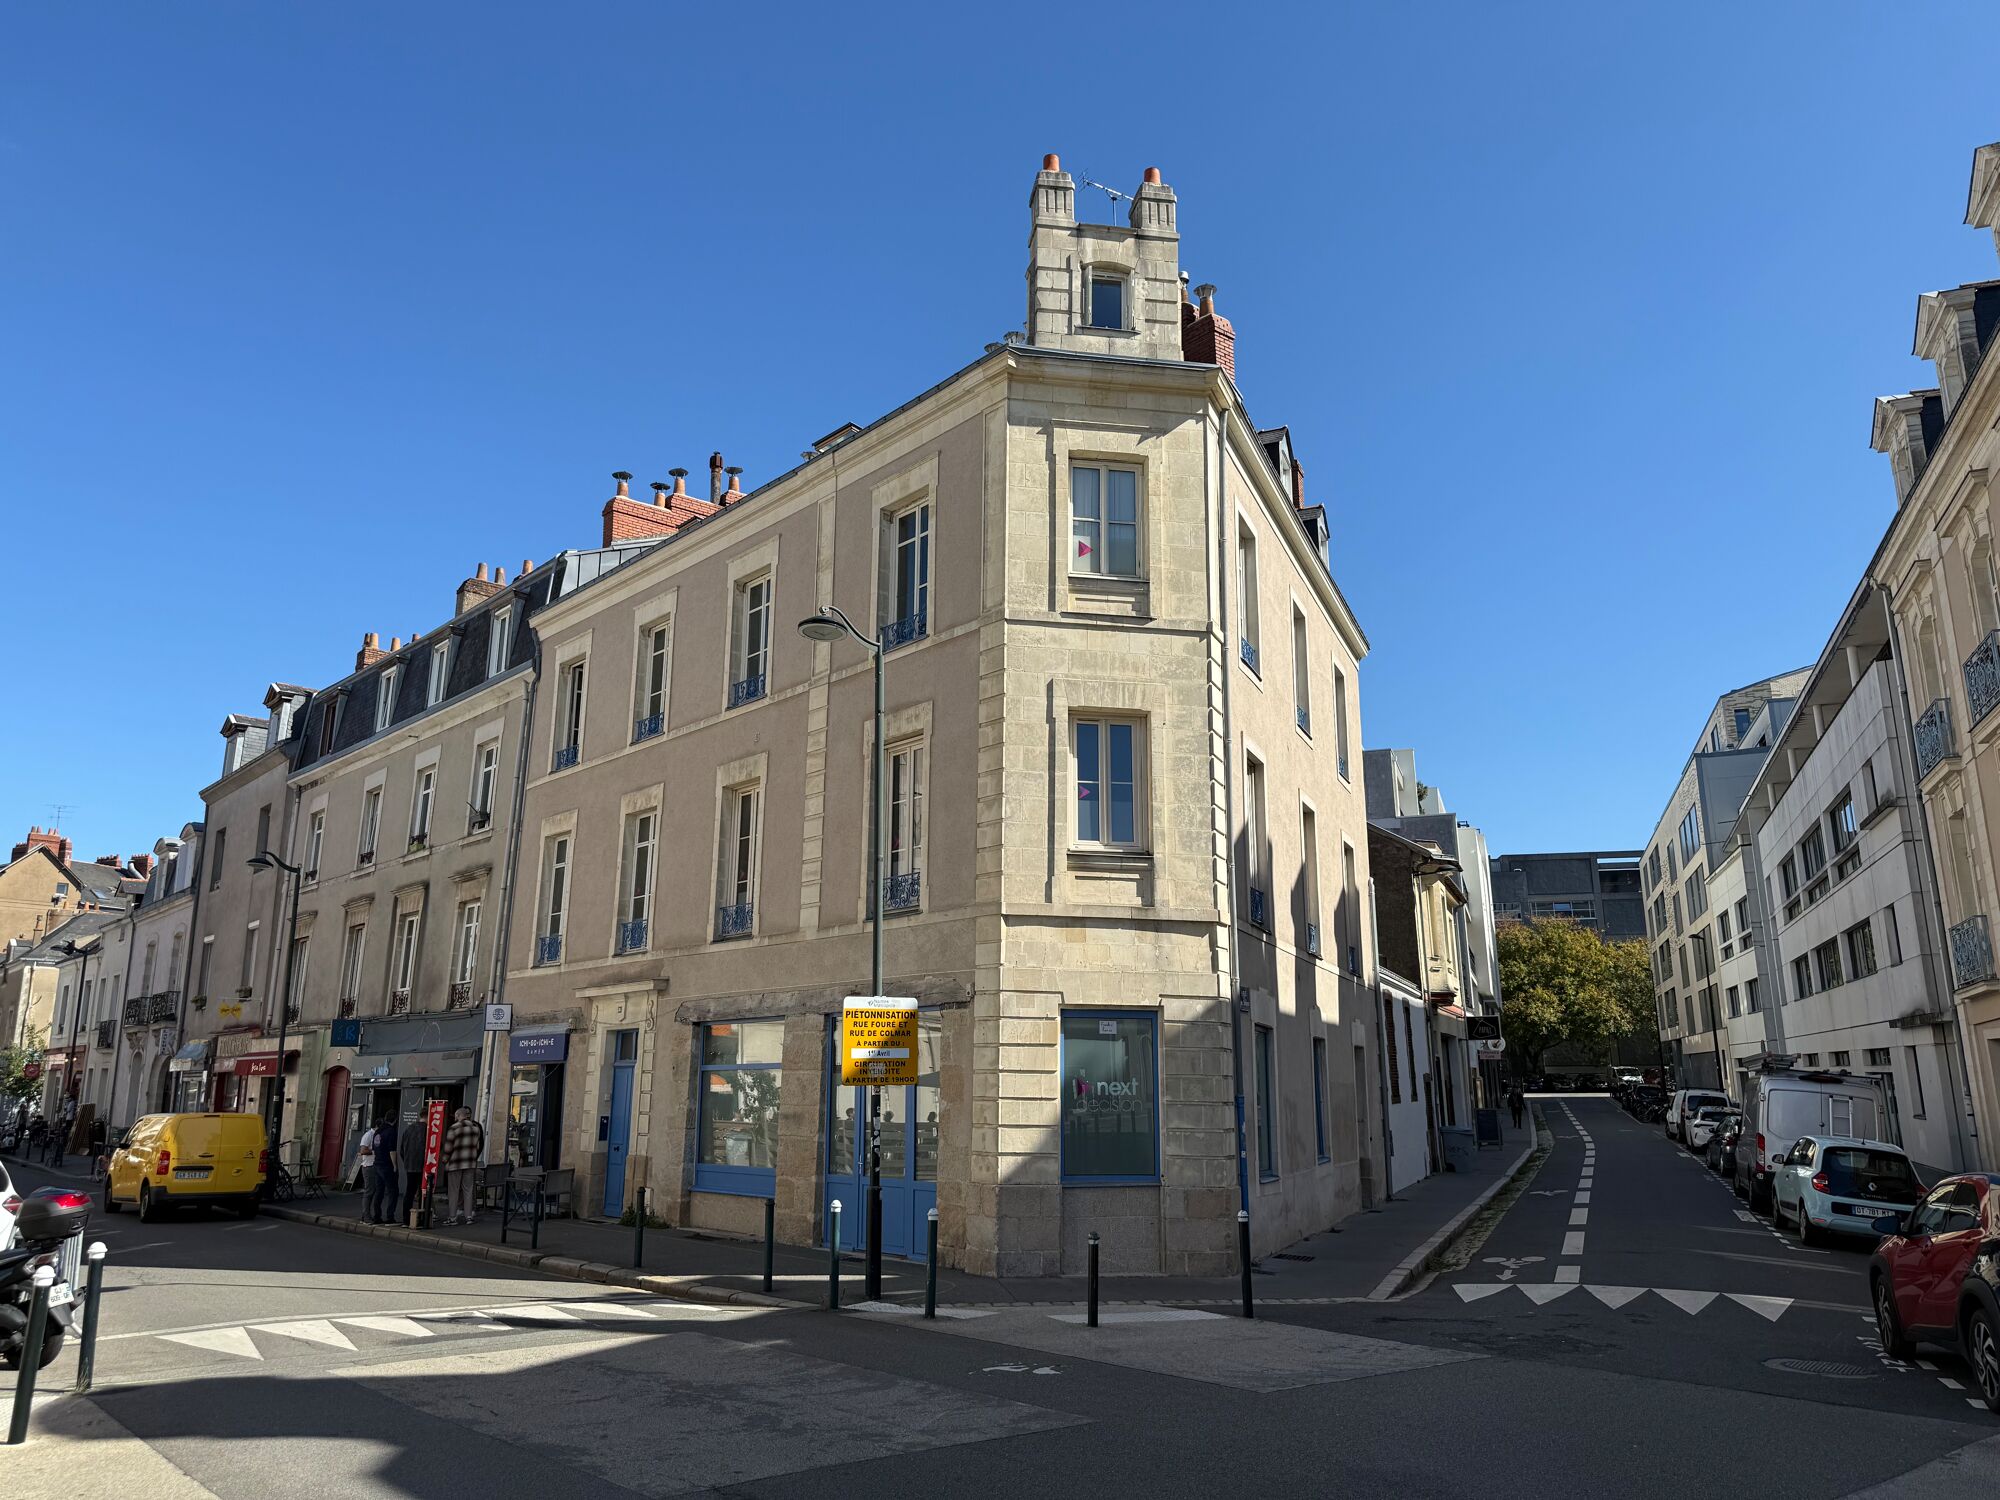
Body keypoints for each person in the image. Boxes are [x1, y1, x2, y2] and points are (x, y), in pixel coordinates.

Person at [440, 1106, 486, 1225]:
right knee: (468, 1189)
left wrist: (444, 1160)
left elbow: (448, 1148)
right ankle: (469, 1216)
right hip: (470, 1163)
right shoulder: (476, 1128)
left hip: (455, 1163)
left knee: (454, 1190)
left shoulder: (453, 1128)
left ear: (458, 1115)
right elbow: (477, 1146)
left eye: (456, 1116)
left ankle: (452, 1217)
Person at [365, 1116, 400, 1224]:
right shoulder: (391, 1131)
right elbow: (392, 1150)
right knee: (393, 1191)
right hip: (386, 1165)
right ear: (395, 1120)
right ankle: (390, 1216)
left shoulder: (378, 1132)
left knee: (379, 1192)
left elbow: (375, 1149)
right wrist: (395, 1165)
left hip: (377, 1164)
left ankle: (377, 1216)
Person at [397, 1111, 429, 1225]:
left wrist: (406, 1160)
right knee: (424, 1191)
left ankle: (406, 1219)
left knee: (409, 1192)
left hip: (409, 1165)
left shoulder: (409, 1129)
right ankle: (422, 1217)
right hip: (423, 1165)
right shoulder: (428, 1130)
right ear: (428, 1116)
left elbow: (401, 1149)